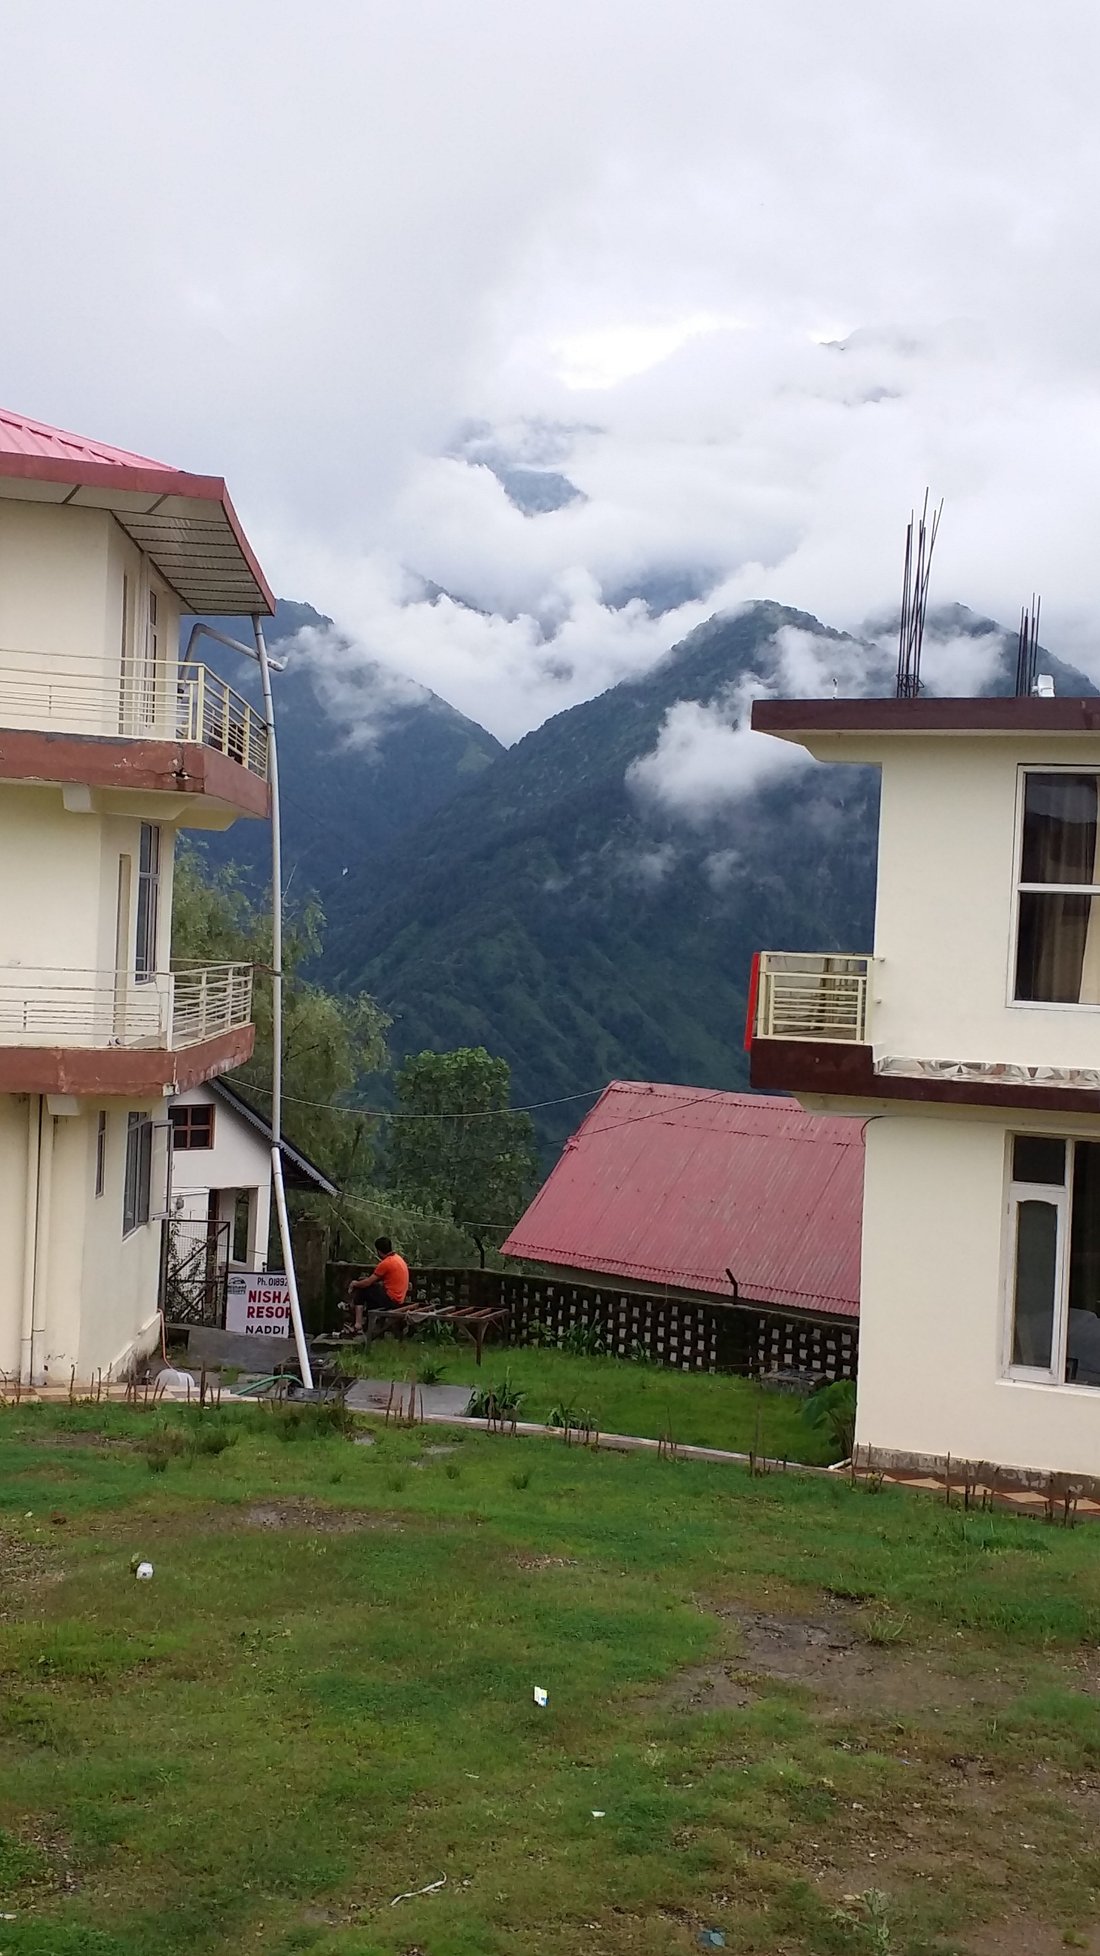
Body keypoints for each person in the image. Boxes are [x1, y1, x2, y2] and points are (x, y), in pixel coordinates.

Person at [345, 1237, 411, 1336]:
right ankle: (369, 1326)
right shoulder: (398, 1259)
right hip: (399, 1299)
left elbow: (368, 1282)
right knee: (370, 1291)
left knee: (362, 1289)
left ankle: (357, 1324)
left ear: (379, 1251)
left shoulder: (386, 1263)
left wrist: (354, 1283)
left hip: (391, 1300)